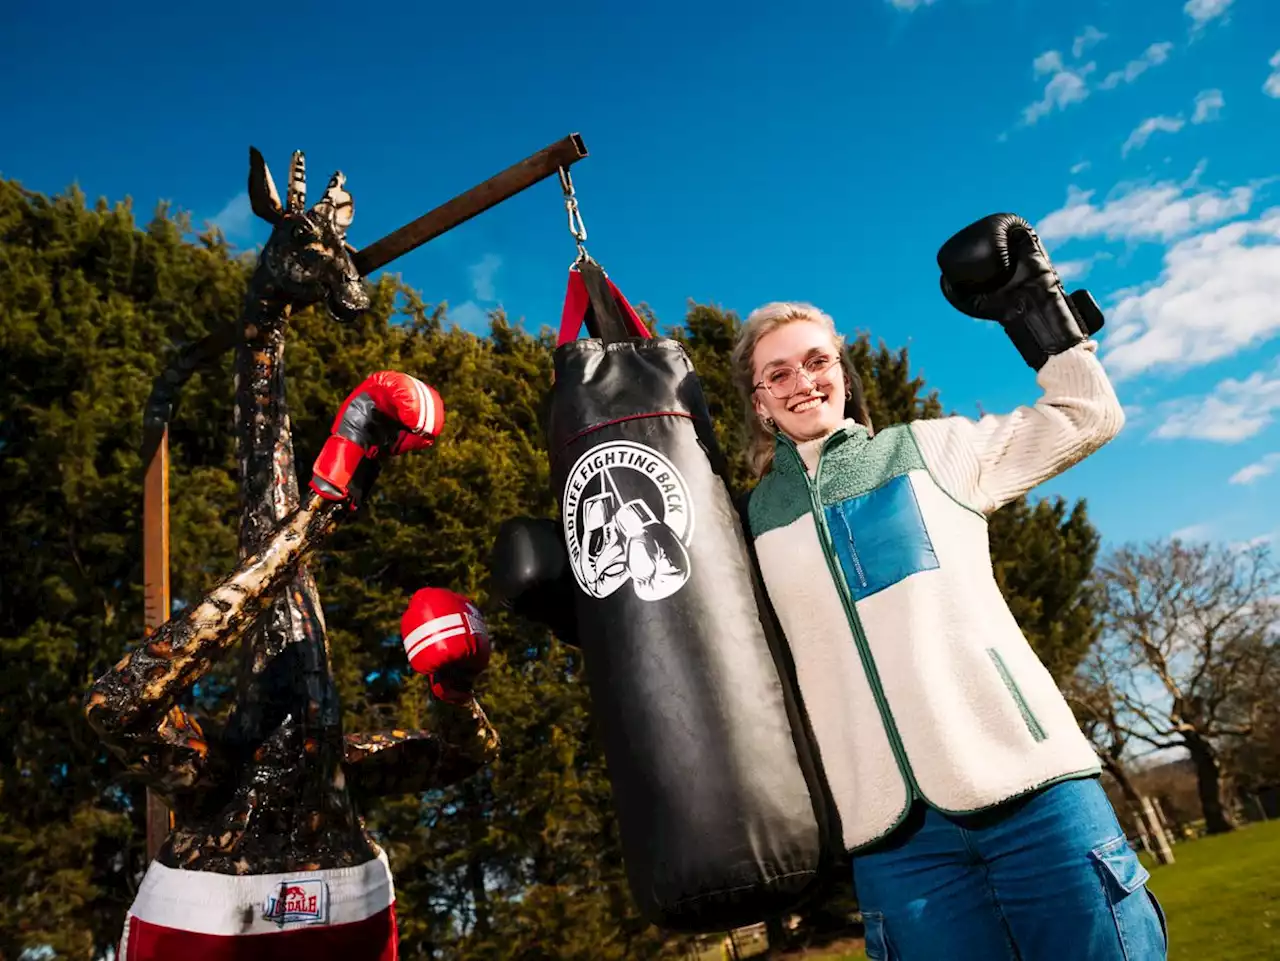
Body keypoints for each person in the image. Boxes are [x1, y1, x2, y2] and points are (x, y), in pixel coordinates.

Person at [726, 213, 1166, 961]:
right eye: (779, 373)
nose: (804, 380)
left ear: (842, 372)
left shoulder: (936, 449)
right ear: (760, 403)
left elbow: (1088, 414)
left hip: (1035, 798)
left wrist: (1036, 305)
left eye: (817, 360)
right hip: (896, 845)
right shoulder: (746, 526)